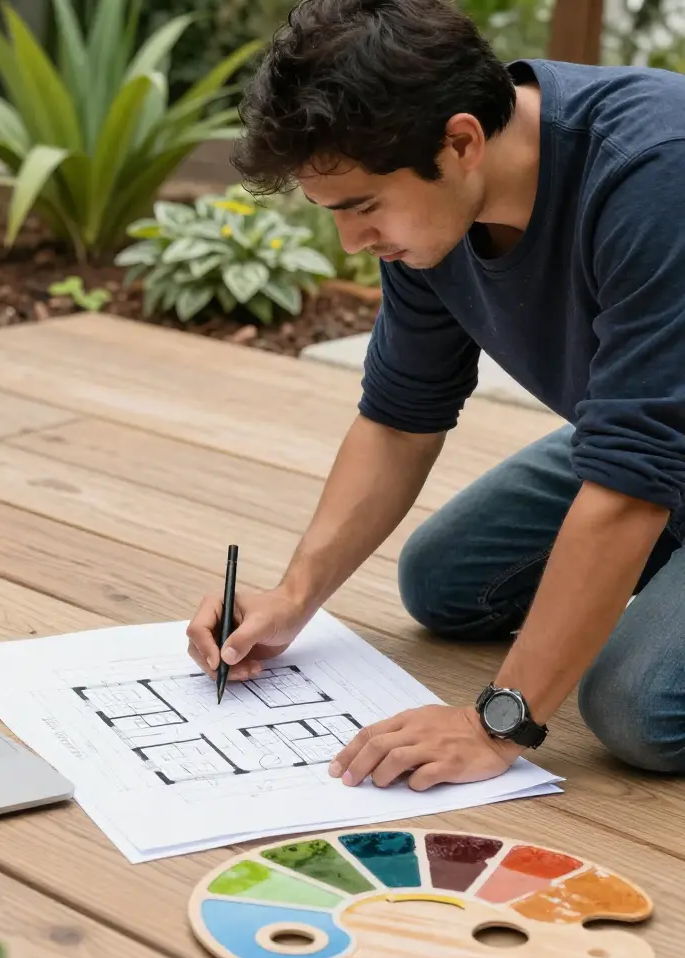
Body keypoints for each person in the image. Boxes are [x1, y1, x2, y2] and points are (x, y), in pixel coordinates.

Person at [186, 0, 685, 791]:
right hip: (655, 437)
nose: (352, 242)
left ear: (460, 141)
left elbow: (628, 485)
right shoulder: (433, 214)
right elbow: (399, 418)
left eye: (363, 206)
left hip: (652, 451)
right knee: (444, 580)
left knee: (636, 706)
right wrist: (293, 595)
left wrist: (500, 719)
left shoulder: (656, 169)